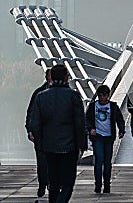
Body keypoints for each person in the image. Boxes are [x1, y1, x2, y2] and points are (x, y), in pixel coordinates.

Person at [30, 64, 86, 203]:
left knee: (53, 183)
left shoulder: (41, 97)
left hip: (49, 146)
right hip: (69, 146)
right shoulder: (73, 96)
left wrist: (40, 143)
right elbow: (79, 122)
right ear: (66, 77)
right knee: (67, 184)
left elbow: (35, 123)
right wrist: (82, 144)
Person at [86, 84, 125, 193]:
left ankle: (107, 185)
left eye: (104, 96)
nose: (102, 98)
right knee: (99, 160)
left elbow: (119, 119)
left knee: (107, 161)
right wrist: (90, 129)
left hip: (109, 136)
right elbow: (87, 120)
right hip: (97, 136)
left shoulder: (112, 106)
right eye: (100, 96)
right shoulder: (93, 106)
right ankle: (98, 184)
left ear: (108, 95)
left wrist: (121, 130)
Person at [25, 69, 51, 198]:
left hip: (54, 135)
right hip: (40, 134)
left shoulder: (66, 93)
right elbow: (31, 113)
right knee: (42, 162)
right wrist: (29, 129)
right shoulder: (38, 93)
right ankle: (43, 185)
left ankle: (51, 184)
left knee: (53, 161)